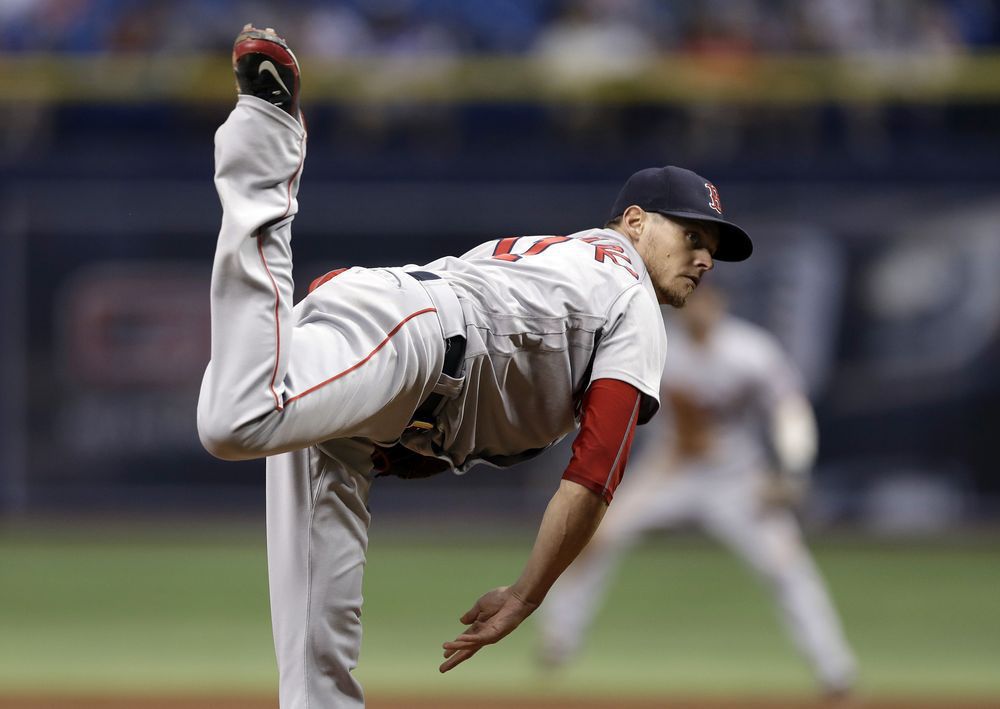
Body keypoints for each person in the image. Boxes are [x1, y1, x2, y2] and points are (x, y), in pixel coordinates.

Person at [196, 25, 752, 709]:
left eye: (712, 250)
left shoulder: (565, 266)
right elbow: (596, 470)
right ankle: (268, 140)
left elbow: (502, 409)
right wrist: (527, 593)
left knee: (317, 591)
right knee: (238, 418)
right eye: (690, 235)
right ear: (634, 222)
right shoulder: (631, 296)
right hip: (413, 335)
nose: (703, 258)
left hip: (394, 354)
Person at [537, 285, 858, 697]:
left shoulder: (751, 351)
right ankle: (558, 638)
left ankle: (835, 670)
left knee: (785, 565)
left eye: (707, 301)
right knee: (598, 535)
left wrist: (792, 473)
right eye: (692, 302)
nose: (699, 310)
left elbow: (789, 412)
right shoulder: (656, 344)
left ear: (721, 304)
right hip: (672, 471)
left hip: (738, 478)